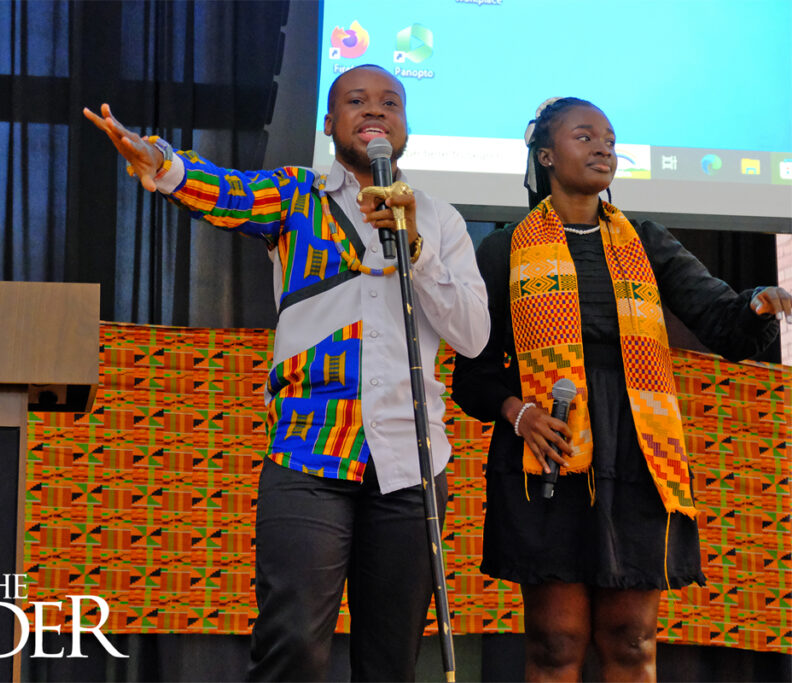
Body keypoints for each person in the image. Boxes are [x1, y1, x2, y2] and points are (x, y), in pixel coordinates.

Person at [84, 64, 490, 681]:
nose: (374, 111)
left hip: (411, 462)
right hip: (309, 452)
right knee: (292, 644)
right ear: (329, 123)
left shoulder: (440, 221)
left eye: (390, 102)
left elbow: (473, 335)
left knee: (392, 660)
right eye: (356, 100)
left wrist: (416, 249)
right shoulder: (299, 195)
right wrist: (162, 166)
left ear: (406, 126)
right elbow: (226, 192)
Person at [452, 97, 791, 682]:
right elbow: (474, 374)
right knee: (555, 642)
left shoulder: (645, 240)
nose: (603, 148)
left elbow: (723, 322)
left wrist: (756, 304)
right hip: (548, 454)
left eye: (609, 139)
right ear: (545, 156)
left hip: (639, 455)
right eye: (584, 137)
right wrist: (519, 413)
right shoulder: (503, 248)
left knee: (631, 641)